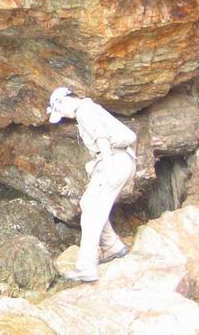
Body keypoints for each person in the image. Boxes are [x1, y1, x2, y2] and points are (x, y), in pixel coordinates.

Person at [47, 87, 137, 282]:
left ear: (63, 101)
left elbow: (101, 137)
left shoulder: (84, 110)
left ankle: (86, 267)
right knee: (88, 203)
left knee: (92, 213)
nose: (63, 116)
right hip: (120, 160)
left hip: (113, 161)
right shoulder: (89, 109)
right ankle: (112, 247)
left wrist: (108, 166)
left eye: (59, 110)